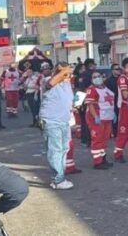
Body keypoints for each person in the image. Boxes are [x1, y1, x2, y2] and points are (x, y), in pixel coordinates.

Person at [40, 62, 76, 190]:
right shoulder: (47, 81)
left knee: (63, 149)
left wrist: (73, 107)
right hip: (51, 121)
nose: (68, 75)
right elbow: (50, 84)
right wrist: (62, 71)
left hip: (63, 120)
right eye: (65, 73)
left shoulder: (66, 84)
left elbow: (68, 101)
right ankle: (58, 180)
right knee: (55, 150)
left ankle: (60, 177)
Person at [84, 71, 115, 170]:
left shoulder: (104, 88)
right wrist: (95, 116)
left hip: (107, 117)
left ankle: (103, 158)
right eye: (94, 77)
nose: (97, 78)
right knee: (97, 139)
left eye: (98, 76)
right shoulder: (91, 89)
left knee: (104, 139)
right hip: (97, 118)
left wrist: (112, 113)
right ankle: (97, 162)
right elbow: (90, 104)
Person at [105, 63, 121, 135]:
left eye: (119, 69)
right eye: (116, 69)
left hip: (122, 101)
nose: (118, 71)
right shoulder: (108, 81)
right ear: (112, 70)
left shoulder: (122, 78)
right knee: (115, 119)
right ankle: (115, 133)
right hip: (113, 102)